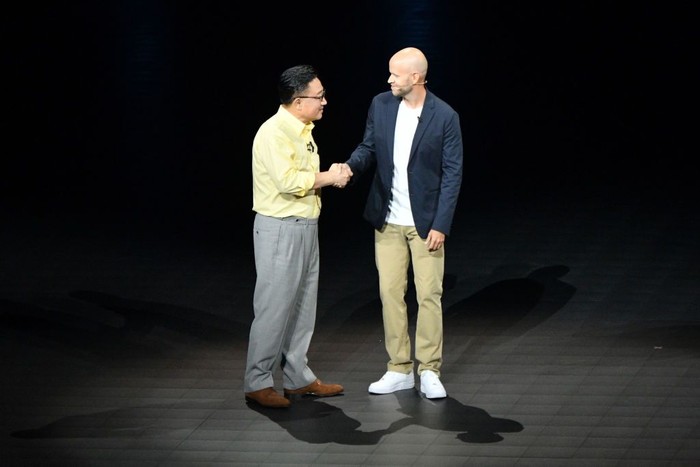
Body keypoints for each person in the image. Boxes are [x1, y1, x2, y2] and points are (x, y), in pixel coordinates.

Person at [343, 47, 463, 399]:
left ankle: (429, 369)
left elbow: (452, 174)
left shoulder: (444, 116)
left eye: (395, 74)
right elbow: (368, 147)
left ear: (416, 77)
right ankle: (399, 368)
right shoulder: (381, 105)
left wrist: (441, 223)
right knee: (390, 294)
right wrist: (349, 167)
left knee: (428, 296)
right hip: (388, 220)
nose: (389, 79)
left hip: (426, 224)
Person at [244, 64, 351, 408]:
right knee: (274, 307)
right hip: (280, 229)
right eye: (319, 96)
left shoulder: (303, 130)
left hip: (305, 226)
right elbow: (289, 181)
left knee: (303, 306)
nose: (324, 102)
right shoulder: (274, 132)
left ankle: (297, 378)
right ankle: (258, 382)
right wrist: (330, 176)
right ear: (297, 100)